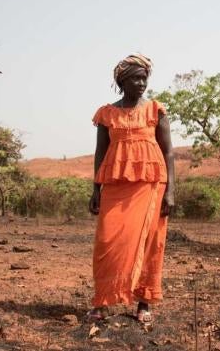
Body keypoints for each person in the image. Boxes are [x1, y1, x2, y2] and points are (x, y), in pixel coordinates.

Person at [87, 54, 175, 324]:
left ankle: (144, 302)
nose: (141, 83)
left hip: (151, 185)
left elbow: (169, 153)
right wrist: (95, 189)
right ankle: (103, 301)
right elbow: (100, 152)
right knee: (107, 240)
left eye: (144, 78)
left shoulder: (155, 111)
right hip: (115, 183)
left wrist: (171, 190)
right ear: (122, 82)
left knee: (149, 243)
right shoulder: (107, 114)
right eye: (135, 78)